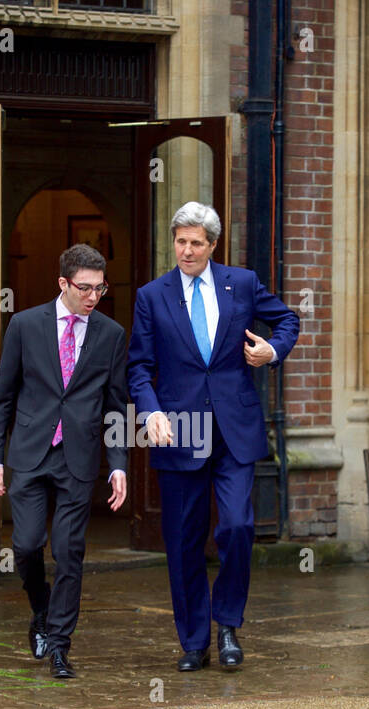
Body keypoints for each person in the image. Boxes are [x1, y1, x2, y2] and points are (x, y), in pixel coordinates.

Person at [127, 202, 300, 671]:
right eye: (180, 241)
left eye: (196, 243)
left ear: (213, 245)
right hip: (178, 430)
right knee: (184, 540)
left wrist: (272, 350)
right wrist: (150, 413)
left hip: (234, 429)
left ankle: (228, 624)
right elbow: (139, 367)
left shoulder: (241, 283)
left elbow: (287, 321)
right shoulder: (151, 295)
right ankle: (193, 642)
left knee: (238, 526)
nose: (186, 250)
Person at [0, 244, 128, 679]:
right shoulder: (25, 326)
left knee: (69, 552)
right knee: (26, 546)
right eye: (84, 288)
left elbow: (116, 406)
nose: (93, 297)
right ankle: (41, 610)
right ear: (63, 283)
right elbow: (3, 397)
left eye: (100, 288)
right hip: (29, 452)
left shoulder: (111, 334)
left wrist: (118, 463)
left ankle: (61, 645)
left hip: (78, 457)